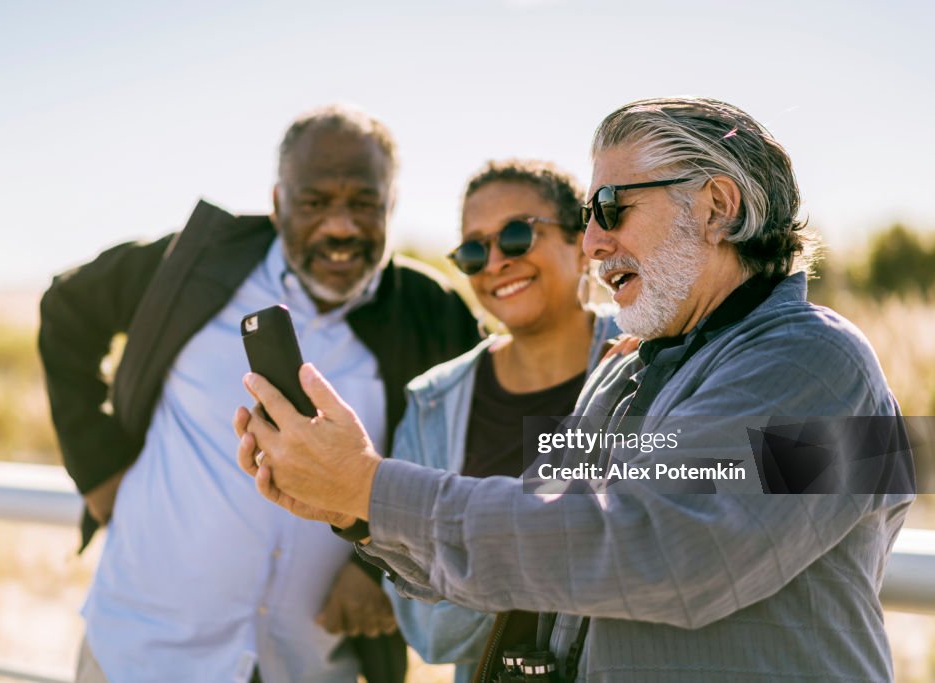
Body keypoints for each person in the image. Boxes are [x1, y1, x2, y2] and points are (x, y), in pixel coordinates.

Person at [234, 97, 915, 682]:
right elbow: (543, 535)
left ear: (717, 207)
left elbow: (659, 547)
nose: (590, 242)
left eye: (612, 208)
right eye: (588, 213)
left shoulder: (825, 367)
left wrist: (370, 488)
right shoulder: (624, 372)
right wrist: (353, 509)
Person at [38, 104, 480, 683]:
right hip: (140, 652)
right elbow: (65, 311)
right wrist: (97, 468)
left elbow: (467, 442)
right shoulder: (191, 266)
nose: (341, 227)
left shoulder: (432, 312)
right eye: (315, 202)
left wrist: (379, 572)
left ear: (391, 204)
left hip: (313, 664)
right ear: (277, 203)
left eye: (364, 204)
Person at [361, 159, 623, 682]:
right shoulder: (433, 400)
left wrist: (476, 558)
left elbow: (802, 469)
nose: (495, 262)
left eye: (517, 235)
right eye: (475, 250)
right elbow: (429, 628)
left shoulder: (660, 356)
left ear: (581, 242)